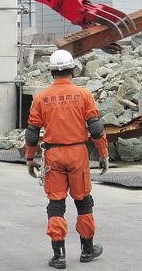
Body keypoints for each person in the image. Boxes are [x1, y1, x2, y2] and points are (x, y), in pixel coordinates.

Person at [24, 49, 109, 269]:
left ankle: (59, 255)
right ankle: (87, 250)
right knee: (83, 200)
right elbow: (96, 129)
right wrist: (103, 154)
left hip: (54, 155)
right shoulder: (83, 95)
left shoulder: (41, 98)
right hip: (77, 153)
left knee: (56, 203)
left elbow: (32, 133)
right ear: (72, 69)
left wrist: (30, 159)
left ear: (52, 72)